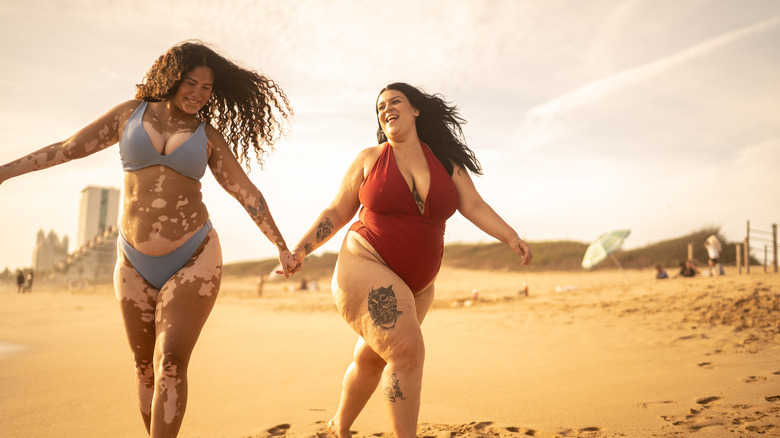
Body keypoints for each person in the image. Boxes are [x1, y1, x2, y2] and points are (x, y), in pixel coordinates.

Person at [0, 41, 295, 437]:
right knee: (143, 368)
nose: (197, 94)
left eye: (207, 88)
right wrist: (5, 171)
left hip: (195, 256)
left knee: (170, 361)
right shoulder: (129, 115)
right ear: (171, 79)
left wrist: (280, 245)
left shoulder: (206, 134)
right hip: (132, 261)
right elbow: (67, 149)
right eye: (190, 83)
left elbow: (247, 193)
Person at [286, 82, 533, 438]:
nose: (386, 109)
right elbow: (338, 210)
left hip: (419, 284)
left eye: (394, 101)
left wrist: (511, 236)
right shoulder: (370, 159)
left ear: (415, 110)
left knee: (373, 357)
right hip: (366, 261)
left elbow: (474, 205)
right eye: (380, 106)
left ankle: (338, 426)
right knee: (406, 352)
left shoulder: (446, 163)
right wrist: (300, 250)